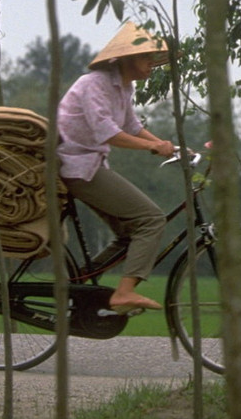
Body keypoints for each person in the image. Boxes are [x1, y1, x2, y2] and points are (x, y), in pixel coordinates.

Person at [57, 21, 177, 313]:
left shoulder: (124, 87)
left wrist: (166, 145)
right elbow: (107, 132)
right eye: (145, 57)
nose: (151, 64)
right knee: (151, 219)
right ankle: (124, 293)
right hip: (77, 165)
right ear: (126, 58)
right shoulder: (94, 84)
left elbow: (131, 125)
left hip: (91, 164)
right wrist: (151, 147)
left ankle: (77, 284)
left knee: (130, 234)